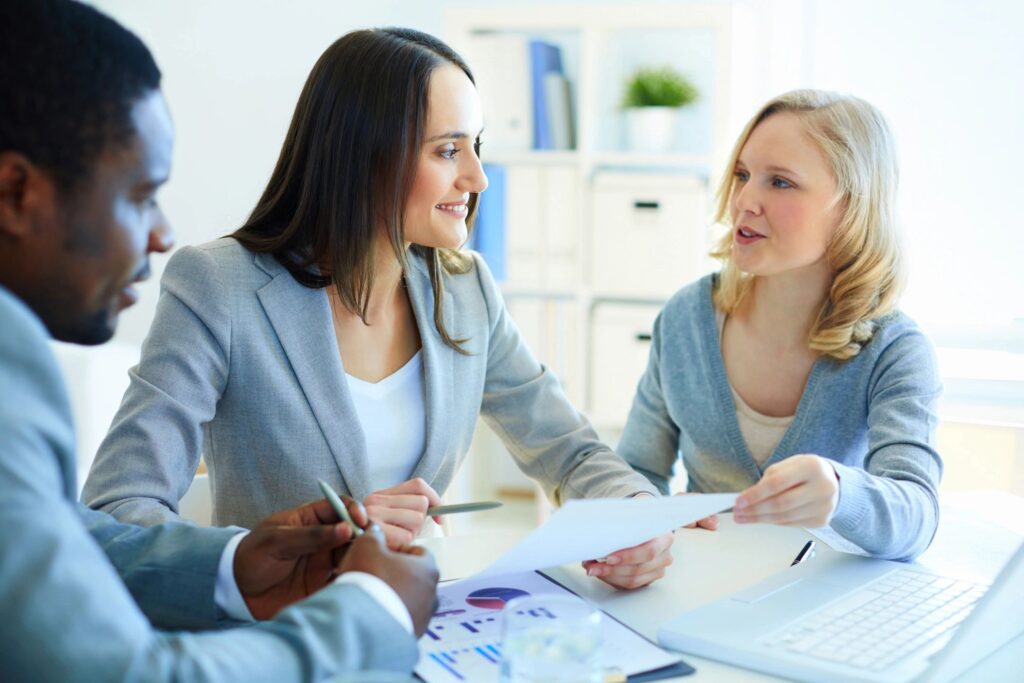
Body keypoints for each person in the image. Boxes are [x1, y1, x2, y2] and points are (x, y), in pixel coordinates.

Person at [82, 26, 673, 590]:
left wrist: (635, 514)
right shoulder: (219, 286)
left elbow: (568, 450)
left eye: (476, 146)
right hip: (283, 636)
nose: (477, 178)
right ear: (365, 156)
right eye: (448, 151)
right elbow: (117, 512)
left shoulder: (467, 290)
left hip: (422, 622)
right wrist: (316, 547)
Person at [0, 1, 438, 680]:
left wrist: (231, 564)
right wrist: (372, 607)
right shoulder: (14, 364)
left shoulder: (460, 290)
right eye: (142, 195)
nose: (162, 233)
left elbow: (47, 538)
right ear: (16, 193)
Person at [617, 89, 942, 561]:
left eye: (781, 182)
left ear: (852, 208)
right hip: (698, 586)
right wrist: (655, 511)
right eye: (743, 175)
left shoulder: (894, 349)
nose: (745, 201)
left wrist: (838, 492)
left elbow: (918, 517)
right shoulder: (686, 318)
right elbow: (635, 470)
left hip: (821, 606)